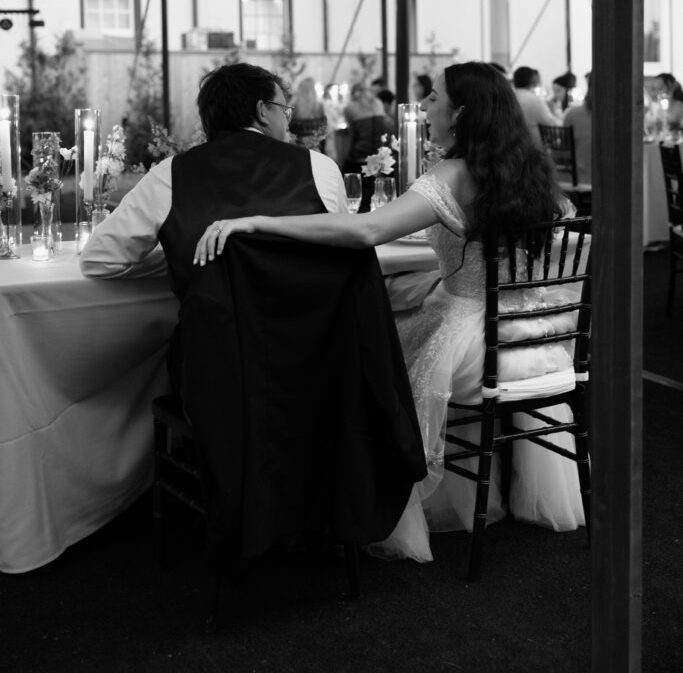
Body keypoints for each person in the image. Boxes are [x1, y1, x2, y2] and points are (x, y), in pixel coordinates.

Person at [194, 62, 584, 562]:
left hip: (472, 342)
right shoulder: (531, 171)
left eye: (434, 98)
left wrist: (257, 222)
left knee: (366, 344)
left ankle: (352, 492)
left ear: (461, 113)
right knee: (403, 300)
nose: (423, 107)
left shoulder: (451, 174)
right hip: (536, 338)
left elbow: (364, 232)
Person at [80, 62, 347, 299]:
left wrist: (185, 256)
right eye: (284, 111)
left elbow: (98, 259)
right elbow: (345, 248)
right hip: (314, 347)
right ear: (263, 111)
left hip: (213, 350)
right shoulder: (319, 168)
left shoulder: (169, 174)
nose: (287, 123)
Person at [512, 66, 560, 146]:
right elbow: (553, 126)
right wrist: (553, 112)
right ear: (534, 81)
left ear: (514, 82)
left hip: (512, 147)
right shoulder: (535, 101)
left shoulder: (509, 98)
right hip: (532, 149)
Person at [563, 72, 592, 184]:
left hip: (576, 179)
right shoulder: (616, 118)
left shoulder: (572, 115)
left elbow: (564, 150)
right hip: (611, 180)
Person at [288, 76, 327, 150]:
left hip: (299, 148)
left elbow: (288, 129)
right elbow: (323, 129)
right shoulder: (319, 106)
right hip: (316, 148)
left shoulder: (295, 106)